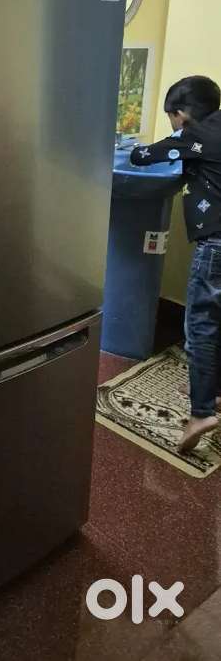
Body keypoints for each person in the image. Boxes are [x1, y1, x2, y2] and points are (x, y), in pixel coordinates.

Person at [130, 75, 221, 453]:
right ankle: (212, 391)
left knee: (201, 326)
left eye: (171, 117)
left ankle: (201, 413)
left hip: (216, 245)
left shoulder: (193, 135)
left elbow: (141, 157)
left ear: (181, 114)